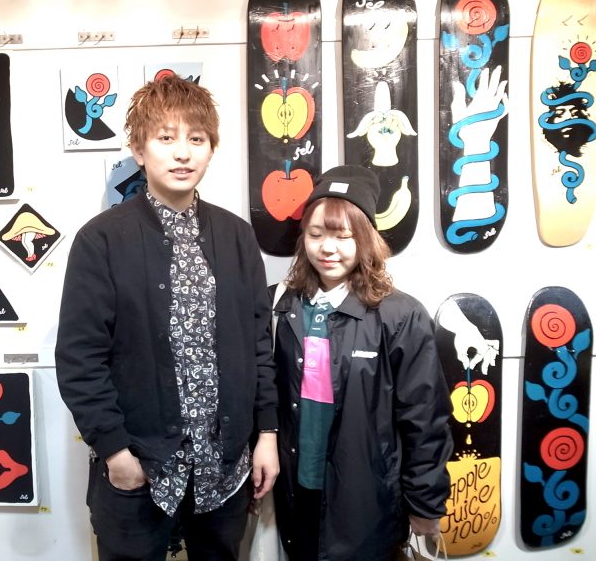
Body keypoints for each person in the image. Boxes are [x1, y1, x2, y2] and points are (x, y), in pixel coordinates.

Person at [55, 75, 279, 561]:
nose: (182, 153)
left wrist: (267, 434)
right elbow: (79, 359)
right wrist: (115, 452)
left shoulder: (237, 237)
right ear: (139, 150)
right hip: (140, 462)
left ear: (211, 149)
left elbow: (258, 345)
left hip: (224, 464)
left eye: (196, 139)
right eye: (165, 138)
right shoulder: (101, 240)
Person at [270, 165, 452, 560]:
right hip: (294, 491)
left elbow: (424, 419)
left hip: (368, 503)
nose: (327, 248)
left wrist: (425, 505)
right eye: (315, 234)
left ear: (366, 238)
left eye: (343, 236)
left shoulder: (399, 316)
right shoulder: (279, 306)